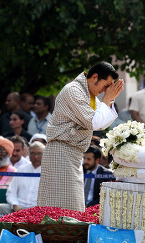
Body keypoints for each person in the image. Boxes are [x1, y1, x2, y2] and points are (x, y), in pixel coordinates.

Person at [38, 62, 123, 211]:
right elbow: (94, 122)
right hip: (60, 151)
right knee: (60, 207)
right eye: (105, 85)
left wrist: (108, 100)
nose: (105, 90)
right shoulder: (73, 90)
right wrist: (107, 99)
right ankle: (54, 235)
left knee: (73, 206)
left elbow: (102, 124)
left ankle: (63, 234)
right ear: (95, 77)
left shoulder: (89, 95)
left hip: (73, 153)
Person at [0, 141, 44, 214]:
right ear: (29, 154)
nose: (36, 157)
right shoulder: (21, 170)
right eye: (33, 154)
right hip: (18, 209)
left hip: (38, 211)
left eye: (39, 154)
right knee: (1, 208)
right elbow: (11, 192)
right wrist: (15, 205)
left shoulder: (48, 172)